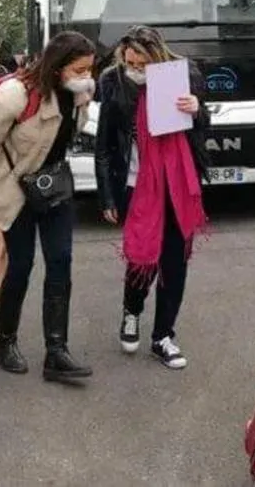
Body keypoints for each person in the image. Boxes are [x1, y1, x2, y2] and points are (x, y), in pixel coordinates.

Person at [0, 30, 97, 380]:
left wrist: (83, 100)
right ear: (57, 66)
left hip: (54, 187)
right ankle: (6, 340)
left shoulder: (78, 93)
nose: (86, 76)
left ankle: (57, 351)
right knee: (20, 265)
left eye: (89, 69)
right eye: (79, 69)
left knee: (61, 262)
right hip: (15, 190)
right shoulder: (17, 94)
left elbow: (70, 133)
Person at [94, 26, 210, 370]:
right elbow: (104, 145)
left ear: (157, 57)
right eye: (129, 62)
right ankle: (132, 311)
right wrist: (107, 197)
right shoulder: (113, 81)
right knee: (141, 256)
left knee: (175, 262)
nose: (134, 70)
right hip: (135, 184)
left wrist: (197, 109)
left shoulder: (185, 74)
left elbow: (204, 126)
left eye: (142, 64)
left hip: (177, 184)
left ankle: (163, 336)